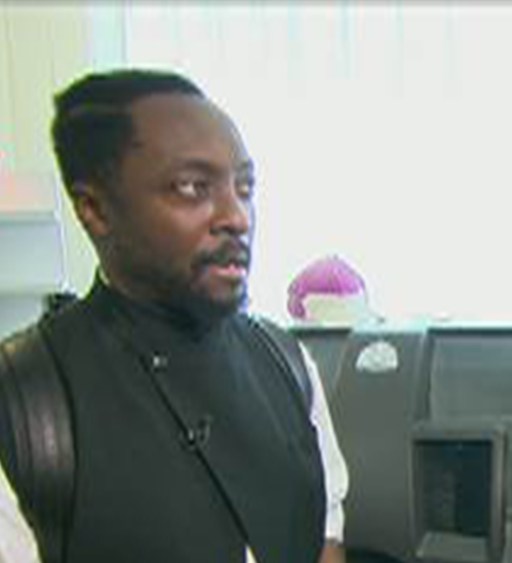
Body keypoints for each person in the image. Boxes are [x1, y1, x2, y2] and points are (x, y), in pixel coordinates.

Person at [0, 69, 348, 563]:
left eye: (244, 187)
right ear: (94, 209)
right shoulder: (25, 406)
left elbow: (325, 540)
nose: (236, 217)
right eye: (191, 187)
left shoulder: (288, 365)